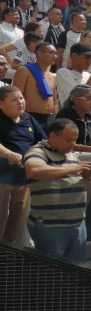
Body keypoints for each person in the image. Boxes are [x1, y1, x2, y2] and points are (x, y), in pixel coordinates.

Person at [23, 118, 91, 260]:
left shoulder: (71, 154)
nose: (73, 144)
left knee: (75, 272)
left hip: (77, 224)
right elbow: (33, 170)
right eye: (68, 140)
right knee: (51, 273)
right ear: (53, 136)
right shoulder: (38, 151)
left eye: (75, 140)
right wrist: (74, 168)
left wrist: (86, 176)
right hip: (51, 225)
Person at [0, 85, 47, 243]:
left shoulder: (28, 118)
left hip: (23, 180)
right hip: (2, 180)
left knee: (15, 225)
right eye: (14, 99)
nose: (20, 102)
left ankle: (8, 263)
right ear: (1, 104)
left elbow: (43, 141)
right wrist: (8, 154)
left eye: (21, 98)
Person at [12, 40, 56, 128]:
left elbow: (54, 101)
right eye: (51, 53)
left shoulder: (53, 76)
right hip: (29, 117)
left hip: (49, 119)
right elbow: (16, 97)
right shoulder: (24, 70)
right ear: (39, 53)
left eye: (55, 53)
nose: (55, 56)